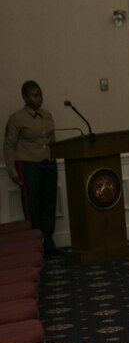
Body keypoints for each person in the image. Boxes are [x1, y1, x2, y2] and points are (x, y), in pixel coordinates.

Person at [3, 81, 59, 255]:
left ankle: (49, 242)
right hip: (28, 165)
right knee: (32, 206)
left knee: (49, 203)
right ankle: (35, 245)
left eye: (40, 95)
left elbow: (52, 141)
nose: (39, 99)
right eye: (35, 96)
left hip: (48, 164)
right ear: (25, 97)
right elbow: (9, 145)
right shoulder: (16, 118)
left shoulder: (47, 115)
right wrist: (12, 171)